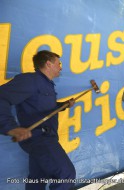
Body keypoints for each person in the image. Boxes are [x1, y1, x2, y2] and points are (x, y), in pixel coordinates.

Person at [0, 50, 76, 190]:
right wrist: (10, 127)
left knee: (37, 180)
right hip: (40, 138)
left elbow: (43, 109)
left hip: (42, 139)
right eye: (58, 63)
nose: (60, 67)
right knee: (66, 175)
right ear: (48, 64)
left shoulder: (46, 85)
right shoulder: (31, 80)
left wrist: (63, 105)